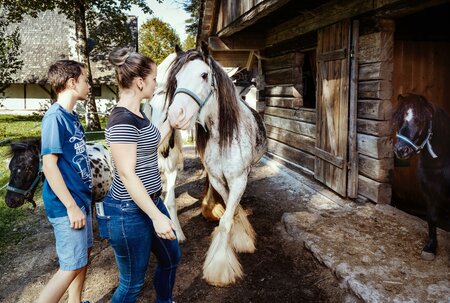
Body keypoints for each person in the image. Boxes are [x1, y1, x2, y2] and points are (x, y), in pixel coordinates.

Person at [96, 48, 181, 303]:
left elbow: (148, 146)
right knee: (132, 284)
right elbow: (127, 174)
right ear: (140, 81)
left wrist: (172, 123)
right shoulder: (122, 120)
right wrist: (157, 217)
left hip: (150, 201)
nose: (157, 84)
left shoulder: (138, 114)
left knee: (171, 258)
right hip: (127, 211)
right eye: (155, 79)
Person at [37, 60, 92, 303]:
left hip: (81, 200)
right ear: (72, 82)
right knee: (70, 265)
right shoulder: (54, 118)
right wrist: (71, 206)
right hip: (67, 205)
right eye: (86, 80)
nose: (89, 85)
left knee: (82, 258)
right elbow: (49, 166)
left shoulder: (72, 116)